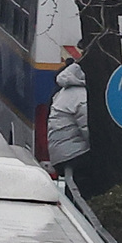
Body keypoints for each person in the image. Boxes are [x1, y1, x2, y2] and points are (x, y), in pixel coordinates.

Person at [46, 54, 90, 182]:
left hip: (61, 152)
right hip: (74, 152)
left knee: (73, 188)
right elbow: (87, 127)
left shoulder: (64, 92)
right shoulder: (81, 96)